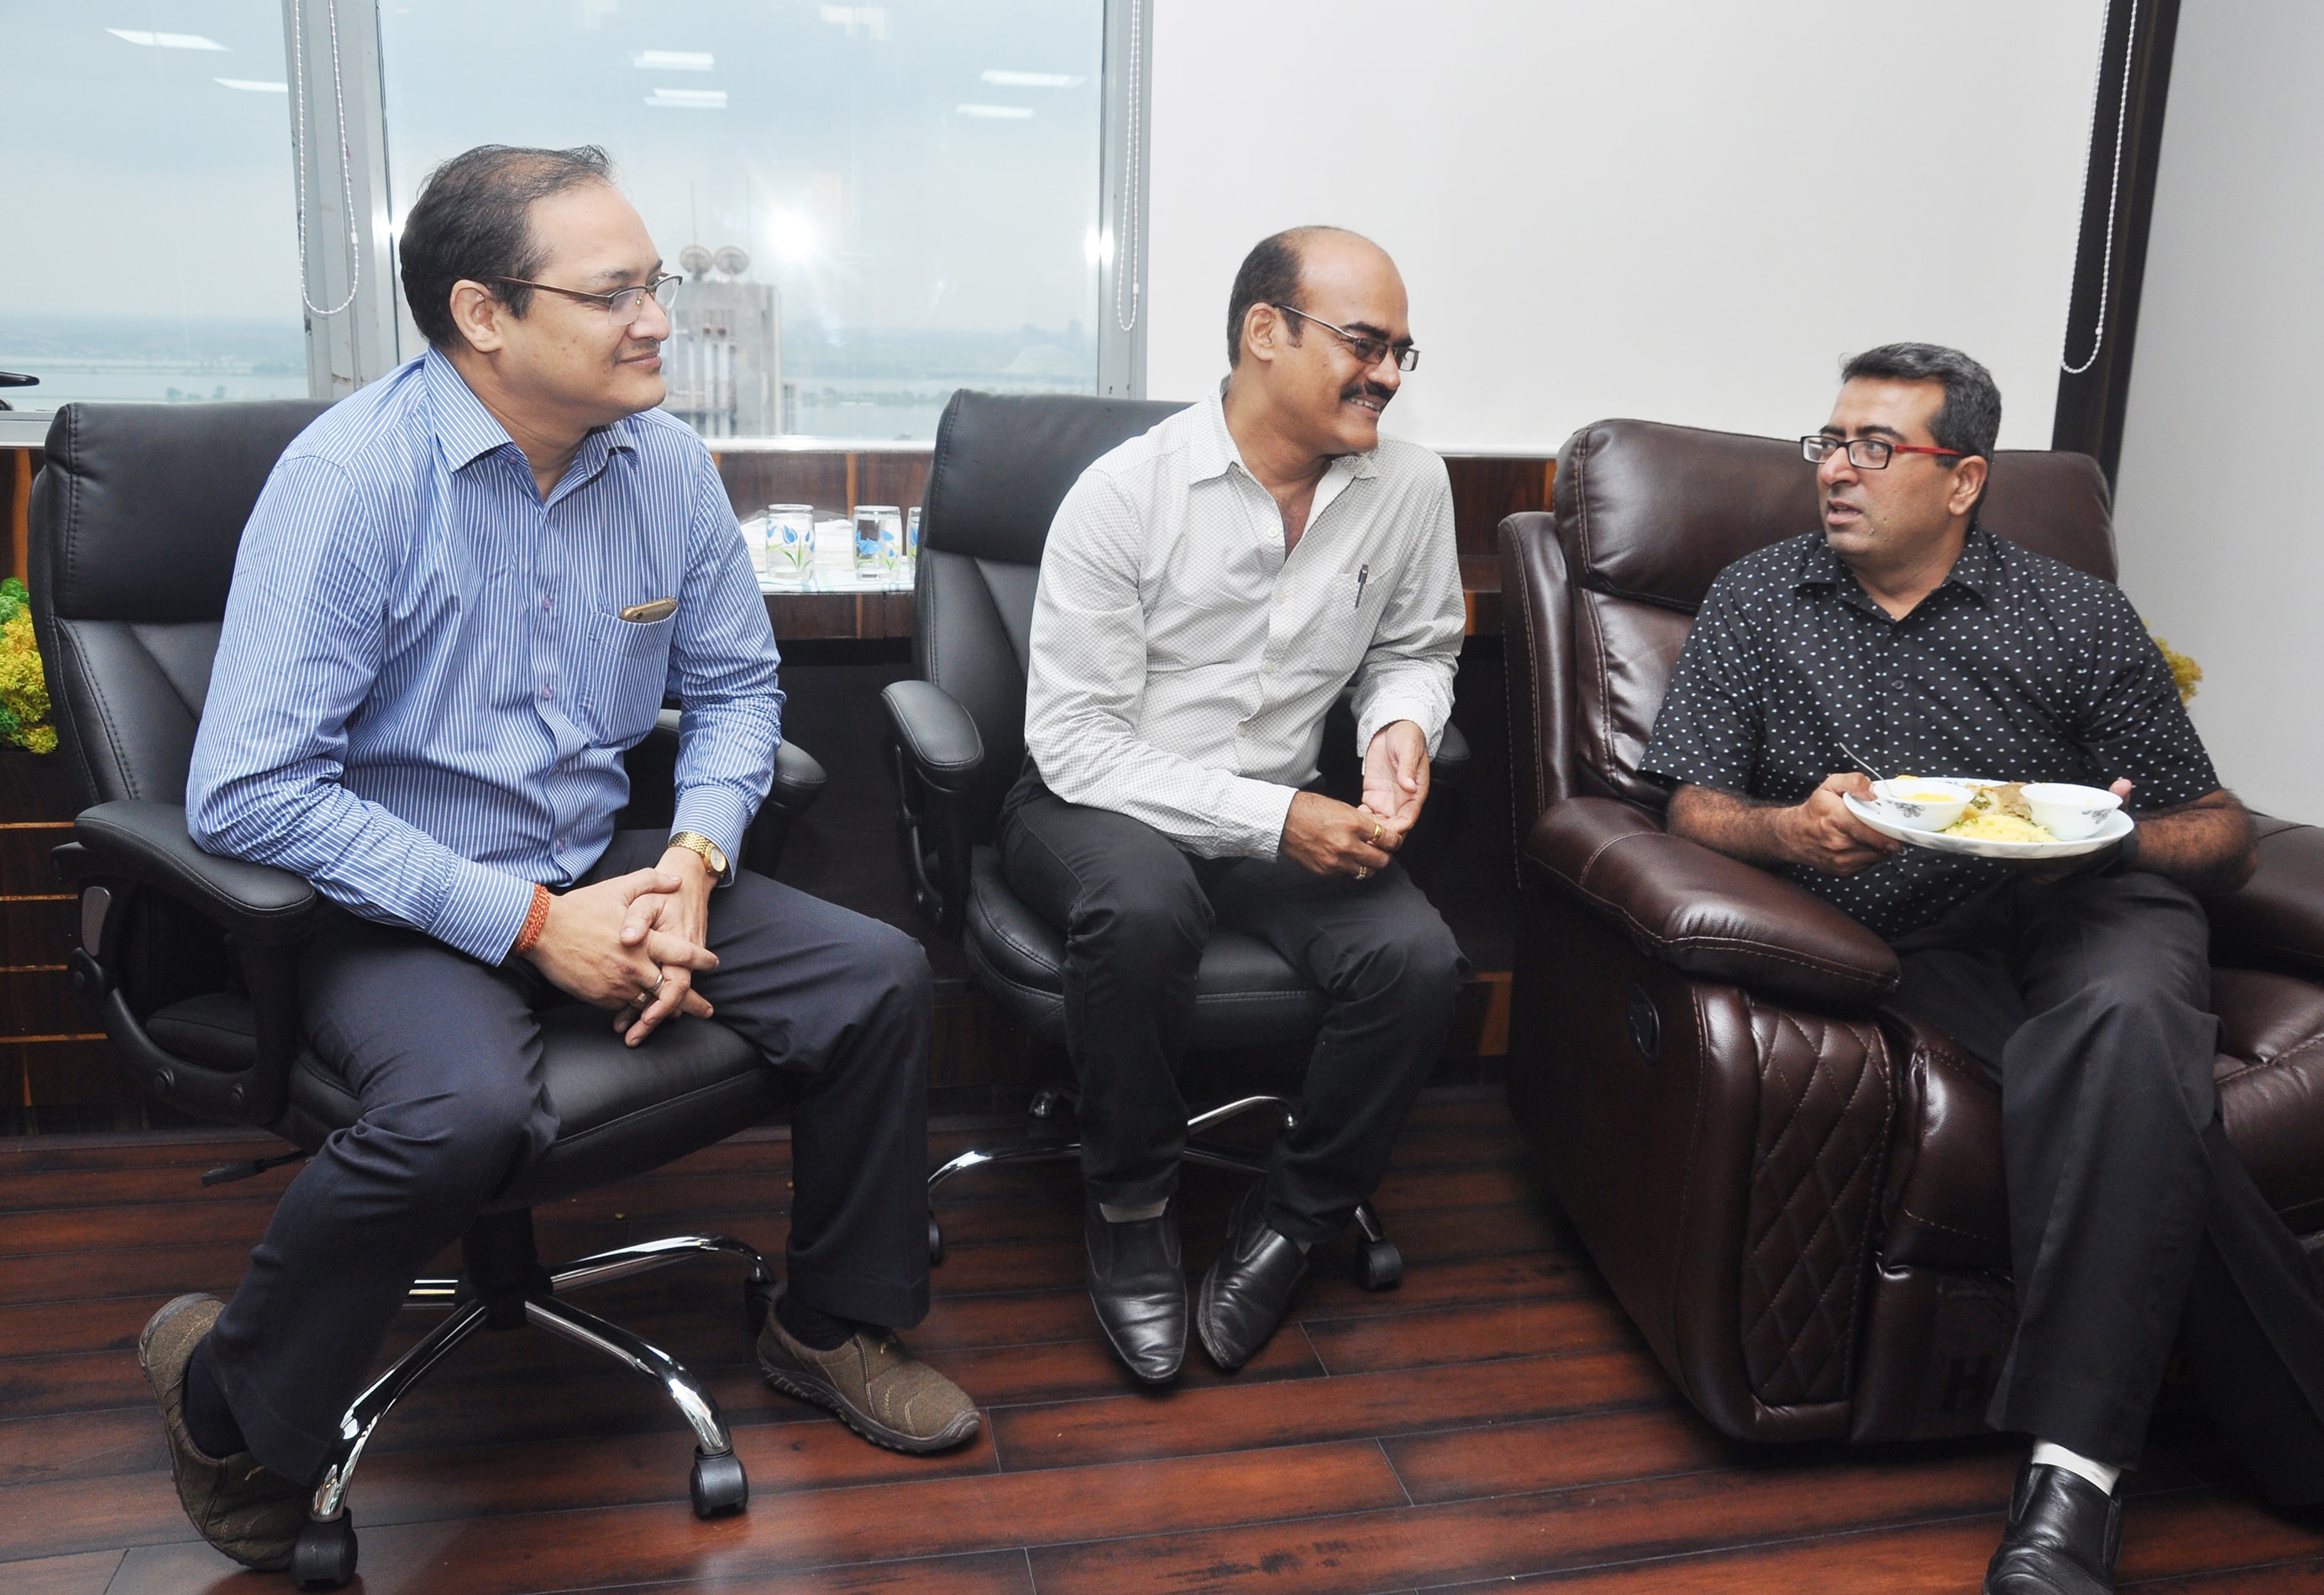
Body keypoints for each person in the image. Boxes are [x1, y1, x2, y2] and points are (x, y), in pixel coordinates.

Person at [143, 144, 977, 1574]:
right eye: (614, 294)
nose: (658, 320)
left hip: (606, 859)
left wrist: (695, 860)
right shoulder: (350, 482)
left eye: (656, 284)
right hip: (393, 900)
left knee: (877, 978)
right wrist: (533, 925)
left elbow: (737, 692)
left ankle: (829, 1323)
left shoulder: (665, 467)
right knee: (458, 1116)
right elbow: (248, 793)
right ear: (485, 314)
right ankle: (225, 1402)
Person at [1640, 341, 2324, 1595]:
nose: (1836, 470)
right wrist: (1789, 831)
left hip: (2091, 909)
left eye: (1876, 447)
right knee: (2144, 1104)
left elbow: (2216, 831)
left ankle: (2072, 1477)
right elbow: (1688, 806)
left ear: (1963, 480)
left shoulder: (2075, 613)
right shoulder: (1757, 598)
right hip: (1906, 938)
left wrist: (2111, 841)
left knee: (2126, 1019)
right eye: (1830, 442)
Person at [1005, 226, 1470, 1383]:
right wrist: (1275, 823)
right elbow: (1075, 741)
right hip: (1100, 798)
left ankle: (1294, 1221)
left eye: (1402, 352)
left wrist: (1399, 728)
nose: (1388, 374)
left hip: (1279, 795)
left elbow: (1415, 648)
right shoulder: (1127, 493)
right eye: (1365, 344)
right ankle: (1129, 1212)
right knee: (1144, 908)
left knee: (1417, 963)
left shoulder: (1410, 485)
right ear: (1266, 332)